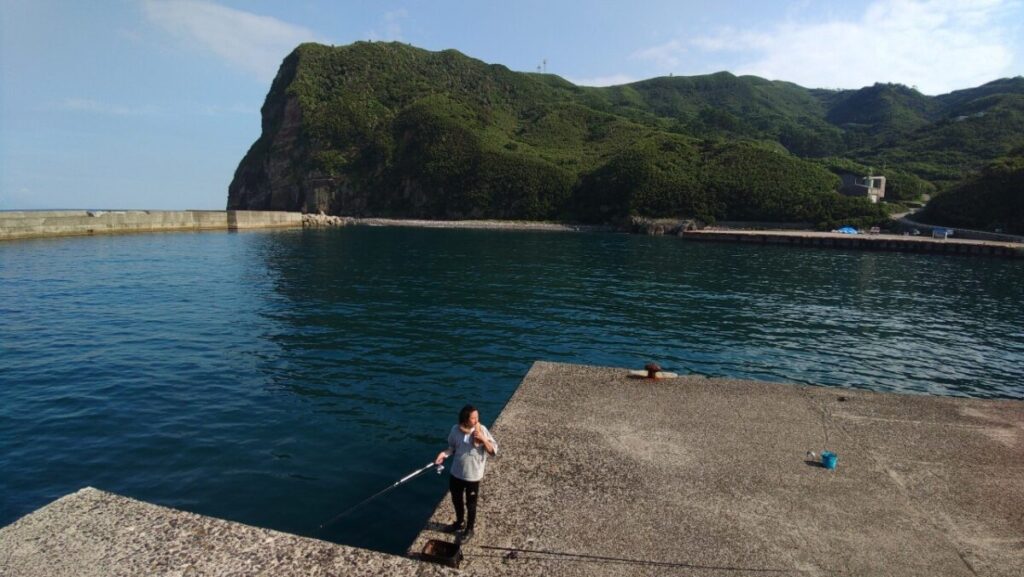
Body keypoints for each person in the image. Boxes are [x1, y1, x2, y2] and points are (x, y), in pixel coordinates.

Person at [434, 404, 498, 543]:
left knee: (471, 504)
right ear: (465, 419)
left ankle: (469, 529)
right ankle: (459, 522)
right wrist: (443, 454)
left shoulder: (482, 430)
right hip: (456, 473)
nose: (476, 420)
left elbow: (493, 451)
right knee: (456, 499)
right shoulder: (455, 430)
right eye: (473, 418)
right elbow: (452, 448)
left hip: (473, 476)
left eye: (477, 417)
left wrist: (483, 439)